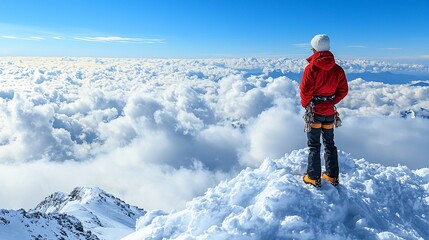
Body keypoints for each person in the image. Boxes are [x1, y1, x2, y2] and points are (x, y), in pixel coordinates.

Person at [300, 34, 348, 188]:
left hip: (315, 112)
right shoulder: (338, 70)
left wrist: (307, 105)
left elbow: (305, 91)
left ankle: (313, 177)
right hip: (329, 113)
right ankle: (332, 176)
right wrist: (330, 102)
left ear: (314, 49)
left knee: (314, 145)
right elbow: (343, 90)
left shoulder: (311, 68)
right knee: (330, 144)